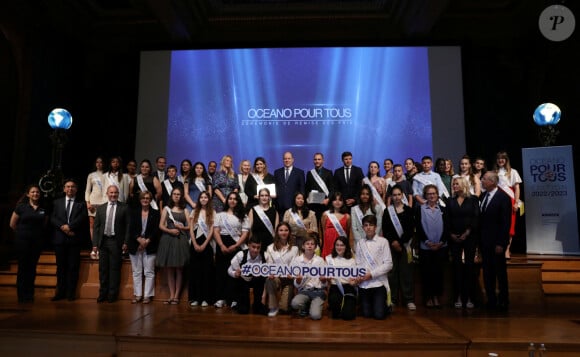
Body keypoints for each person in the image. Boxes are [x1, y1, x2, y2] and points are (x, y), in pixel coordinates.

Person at [50, 179, 89, 301]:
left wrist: (70, 227)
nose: (70, 189)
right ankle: (60, 292)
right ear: (64, 189)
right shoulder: (57, 202)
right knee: (60, 267)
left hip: (74, 239)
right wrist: (63, 227)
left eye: (72, 186)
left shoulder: (81, 204)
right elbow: (52, 217)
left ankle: (71, 293)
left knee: (73, 267)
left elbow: (82, 218)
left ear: (76, 189)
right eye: (67, 186)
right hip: (60, 240)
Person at [92, 185, 131, 303]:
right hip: (103, 242)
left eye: (115, 193)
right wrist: (95, 244)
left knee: (114, 270)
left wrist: (126, 242)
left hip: (116, 242)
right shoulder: (101, 208)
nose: (113, 195)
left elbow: (128, 226)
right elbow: (96, 228)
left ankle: (112, 295)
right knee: (103, 270)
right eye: (111, 193)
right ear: (107, 194)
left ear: (118, 194)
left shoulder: (124, 207)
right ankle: (102, 294)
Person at [9, 184, 47, 303]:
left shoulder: (43, 209)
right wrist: (22, 233)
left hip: (36, 243)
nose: (35, 194)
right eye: (33, 192)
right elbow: (12, 224)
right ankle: (21, 295)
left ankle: (30, 294)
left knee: (32, 268)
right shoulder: (21, 207)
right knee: (23, 268)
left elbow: (44, 225)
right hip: (22, 242)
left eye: (37, 192)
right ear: (28, 194)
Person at [480, 171, 512, 311]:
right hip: (485, 243)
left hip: (497, 243)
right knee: (487, 273)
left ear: (492, 182)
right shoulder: (483, 196)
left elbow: (506, 223)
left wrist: (501, 243)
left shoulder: (503, 198)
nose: (482, 180)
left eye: (484, 179)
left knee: (500, 272)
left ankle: (503, 300)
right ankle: (491, 300)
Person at [382, 184, 416, 311]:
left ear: (403, 195)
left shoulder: (409, 210)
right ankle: (393, 299)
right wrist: (394, 242)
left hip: (405, 246)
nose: (396, 197)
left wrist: (400, 243)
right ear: (391, 196)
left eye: (398, 195)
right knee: (392, 273)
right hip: (391, 246)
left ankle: (409, 299)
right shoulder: (387, 211)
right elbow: (386, 229)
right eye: (394, 195)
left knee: (406, 273)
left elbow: (410, 230)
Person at [447, 176, 479, 309]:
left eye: (456, 184)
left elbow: (476, 217)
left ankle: (470, 297)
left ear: (463, 185)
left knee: (470, 267)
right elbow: (447, 218)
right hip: (454, 238)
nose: (454, 186)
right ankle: (458, 296)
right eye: (453, 184)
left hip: (469, 237)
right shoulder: (450, 200)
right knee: (456, 267)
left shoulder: (472, 200)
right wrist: (451, 234)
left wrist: (467, 232)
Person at [213, 192, 250, 308]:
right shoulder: (219, 215)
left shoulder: (243, 216)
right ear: (227, 200)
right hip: (222, 244)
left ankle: (234, 298)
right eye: (230, 198)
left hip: (236, 246)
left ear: (238, 201)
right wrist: (221, 245)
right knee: (221, 271)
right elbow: (216, 231)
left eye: (235, 199)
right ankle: (221, 298)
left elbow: (245, 233)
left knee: (234, 272)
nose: (232, 201)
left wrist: (236, 245)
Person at [415, 184, 448, 308]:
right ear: (425, 195)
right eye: (429, 194)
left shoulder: (443, 209)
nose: (432, 196)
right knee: (427, 274)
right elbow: (418, 227)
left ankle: (436, 298)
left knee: (438, 273)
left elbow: (447, 227)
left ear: (437, 195)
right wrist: (427, 242)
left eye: (434, 193)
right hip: (426, 247)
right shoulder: (420, 209)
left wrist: (441, 242)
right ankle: (428, 297)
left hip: (441, 247)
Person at [354, 215, 393, 320]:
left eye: (371, 225)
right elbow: (357, 263)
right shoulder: (360, 243)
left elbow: (389, 264)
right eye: (366, 225)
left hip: (378, 283)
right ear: (363, 228)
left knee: (379, 315)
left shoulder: (383, 242)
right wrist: (359, 276)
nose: (368, 227)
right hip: (364, 284)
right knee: (366, 314)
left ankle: (386, 305)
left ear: (376, 227)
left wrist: (371, 274)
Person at [156, 187, 190, 305]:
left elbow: (189, 227)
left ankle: (176, 296)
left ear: (181, 196)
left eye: (178, 194)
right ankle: (171, 295)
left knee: (179, 269)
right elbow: (161, 225)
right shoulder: (167, 209)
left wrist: (181, 228)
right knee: (169, 268)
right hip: (168, 239)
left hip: (180, 240)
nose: (176, 196)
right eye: (174, 194)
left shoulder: (185, 210)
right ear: (171, 195)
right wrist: (170, 231)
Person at [128, 191, 160, 304]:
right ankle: (138, 295)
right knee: (136, 272)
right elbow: (131, 228)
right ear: (140, 200)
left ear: (150, 200)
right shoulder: (134, 212)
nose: (145, 200)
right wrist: (139, 240)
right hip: (135, 244)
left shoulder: (156, 213)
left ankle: (147, 295)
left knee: (149, 272)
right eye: (143, 198)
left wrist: (147, 241)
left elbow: (156, 230)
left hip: (150, 244)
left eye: (147, 198)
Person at [290, 233, 327, 320]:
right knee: (295, 303)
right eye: (307, 244)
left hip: (318, 292)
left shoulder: (320, 261)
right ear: (303, 246)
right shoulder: (297, 261)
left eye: (312, 244)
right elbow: (296, 285)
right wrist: (298, 280)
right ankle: (305, 306)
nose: (310, 246)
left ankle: (313, 305)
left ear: (315, 247)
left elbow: (324, 284)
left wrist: (324, 280)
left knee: (315, 316)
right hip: (304, 291)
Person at [264, 222, 299, 316]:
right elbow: (269, 265)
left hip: (288, 279)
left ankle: (284, 302)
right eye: (281, 230)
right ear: (277, 232)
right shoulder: (270, 248)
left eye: (286, 230)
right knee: (269, 280)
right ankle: (273, 307)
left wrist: (291, 274)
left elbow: (294, 265)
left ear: (289, 232)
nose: (283, 232)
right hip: (276, 277)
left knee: (284, 309)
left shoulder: (295, 249)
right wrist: (272, 274)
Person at [188, 191, 216, 307]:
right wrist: (194, 243)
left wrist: (204, 244)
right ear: (199, 199)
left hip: (207, 244)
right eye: (201, 197)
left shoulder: (213, 212)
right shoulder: (194, 211)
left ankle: (205, 298)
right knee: (196, 272)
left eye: (206, 197)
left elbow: (212, 230)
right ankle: (196, 298)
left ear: (208, 199)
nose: (203, 199)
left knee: (206, 272)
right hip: (195, 242)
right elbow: (190, 228)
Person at [227, 236, 267, 315]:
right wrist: (235, 274)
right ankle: (241, 303)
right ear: (248, 245)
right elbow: (229, 270)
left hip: (257, 281)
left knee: (261, 280)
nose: (255, 250)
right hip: (243, 281)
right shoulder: (240, 255)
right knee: (243, 310)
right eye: (253, 247)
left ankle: (257, 305)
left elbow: (269, 270)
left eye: (258, 248)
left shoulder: (264, 255)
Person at [494, 151, 522, 259]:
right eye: (498, 158)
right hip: (497, 200)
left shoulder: (513, 172)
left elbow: (517, 188)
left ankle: (507, 249)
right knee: (498, 224)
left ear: (506, 160)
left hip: (510, 200)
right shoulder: (494, 173)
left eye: (503, 158)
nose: (500, 160)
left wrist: (516, 202)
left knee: (510, 225)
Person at [326, 236, 357, 320]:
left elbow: (354, 279)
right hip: (335, 287)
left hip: (348, 287)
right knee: (335, 315)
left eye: (342, 245)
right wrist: (327, 278)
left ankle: (348, 306)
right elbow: (326, 279)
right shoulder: (329, 259)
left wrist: (354, 282)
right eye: (337, 245)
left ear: (346, 247)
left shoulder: (352, 261)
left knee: (348, 316)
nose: (339, 247)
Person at [351, 184, 384, 249]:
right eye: (363, 194)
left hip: (374, 243)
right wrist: (361, 242)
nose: (365, 196)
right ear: (360, 195)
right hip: (359, 243)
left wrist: (371, 240)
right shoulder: (354, 209)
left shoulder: (377, 208)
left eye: (367, 194)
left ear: (370, 195)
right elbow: (354, 228)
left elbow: (378, 226)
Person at [305, 152, 335, 223]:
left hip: (325, 204)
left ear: (323, 161)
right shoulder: (310, 173)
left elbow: (332, 189)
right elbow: (307, 189)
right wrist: (307, 198)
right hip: (313, 205)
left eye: (319, 159)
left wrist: (328, 199)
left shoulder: (329, 173)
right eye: (315, 159)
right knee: (313, 226)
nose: (317, 161)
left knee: (324, 225)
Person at [85, 157, 107, 248]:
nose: (99, 164)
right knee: (92, 224)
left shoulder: (107, 175)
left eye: (101, 162)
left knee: (102, 224)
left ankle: (101, 245)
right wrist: (88, 203)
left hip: (103, 202)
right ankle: (94, 246)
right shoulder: (91, 175)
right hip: (93, 201)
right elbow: (87, 190)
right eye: (97, 162)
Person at [320, 192, 350, 258]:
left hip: (341, 244)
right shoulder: (325, 214)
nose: (337, 202)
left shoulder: (347, 216)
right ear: (331, 201)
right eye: (335, 200)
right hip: (328, 242)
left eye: (340, 200)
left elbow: (348, 232)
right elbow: (323, 230)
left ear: (343, 202)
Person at [274, 151, 305, 216]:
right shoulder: (277, 172)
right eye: (285, 159)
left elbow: (302, 190)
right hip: (280, 208)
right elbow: (275, 189)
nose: (287, 160)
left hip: (294, 207)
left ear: (292, 160)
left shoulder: (300, 173)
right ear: (283, 160)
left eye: (289, 158)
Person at [248, 188, 279, 253]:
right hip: (256, 244)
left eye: (266, 195)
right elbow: (249, 229)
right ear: (258, 197)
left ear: (269, 197)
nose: (264, 197)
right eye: (262, 195)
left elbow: (276, 229)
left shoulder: (274, 211)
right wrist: (250, 243)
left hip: (270, 243)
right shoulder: (253, 210)